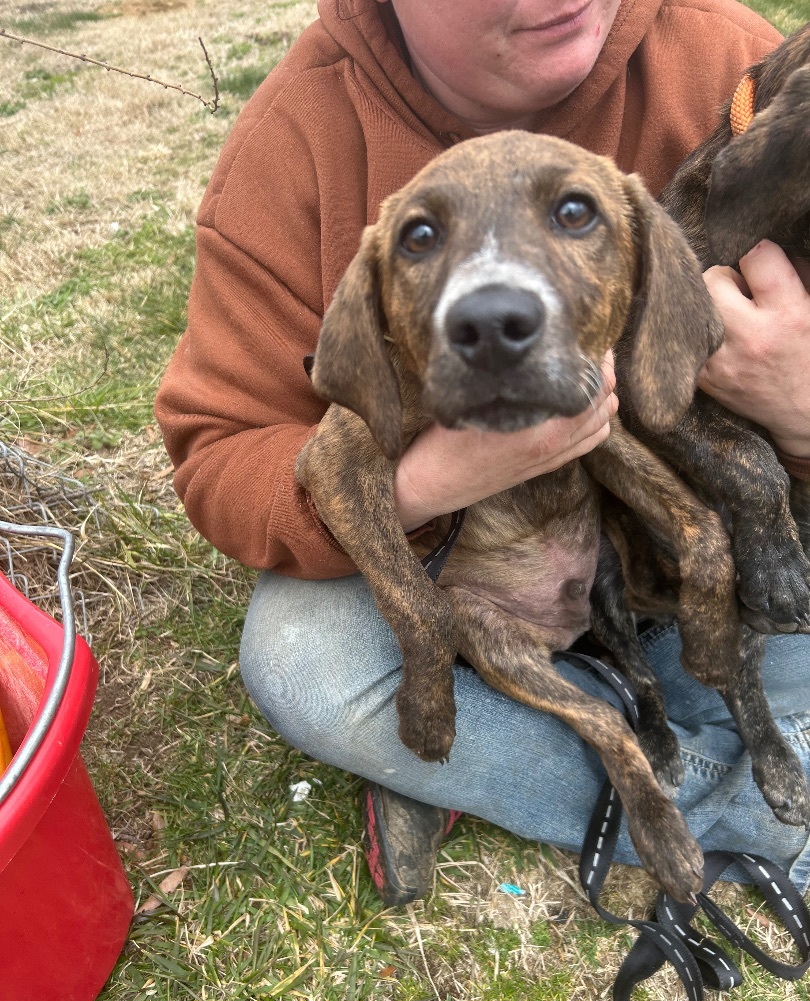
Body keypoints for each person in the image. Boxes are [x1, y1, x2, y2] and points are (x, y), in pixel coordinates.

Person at [155, 0, 810, 906]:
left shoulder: (735, 66)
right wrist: (428, 484)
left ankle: (505, 755)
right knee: (302, 658)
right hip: (471, 579)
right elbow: (218, 451)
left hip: (704, 541)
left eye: (575, 213)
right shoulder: (293, 144)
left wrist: (804, 408)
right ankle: (739, 810)